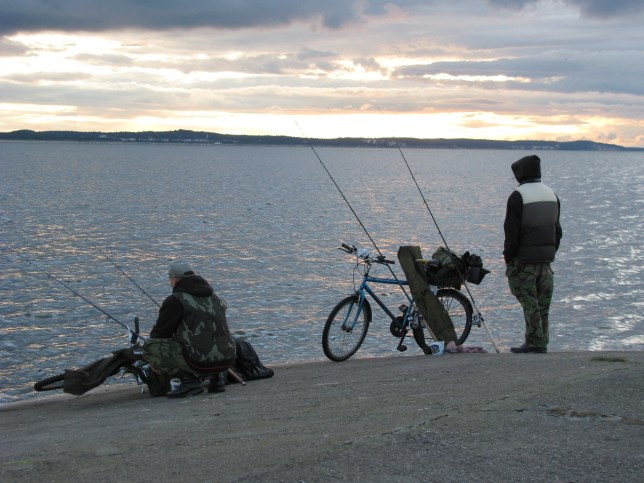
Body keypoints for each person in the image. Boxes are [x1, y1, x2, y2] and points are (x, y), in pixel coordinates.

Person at [142, 260, 236, 397]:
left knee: (150, 346)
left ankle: (189, 381)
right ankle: (217, 379)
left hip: (198, 362)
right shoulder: (215, 297)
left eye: (170, 279)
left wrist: (154, 359)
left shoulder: (175, 300)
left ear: (174, 279)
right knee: (211, 340)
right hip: (227, 358)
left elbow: (159, 334)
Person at [503, 155, 562, 353]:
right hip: (546, 261)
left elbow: (511, 233)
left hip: (524, 260)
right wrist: (551, 251)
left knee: (529, 302)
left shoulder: (518, 196)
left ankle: (534, 341)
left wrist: (509, 257)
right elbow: (557, 230)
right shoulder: (552, 195)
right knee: (543, 304)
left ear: (520, 174)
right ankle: (541, 341)